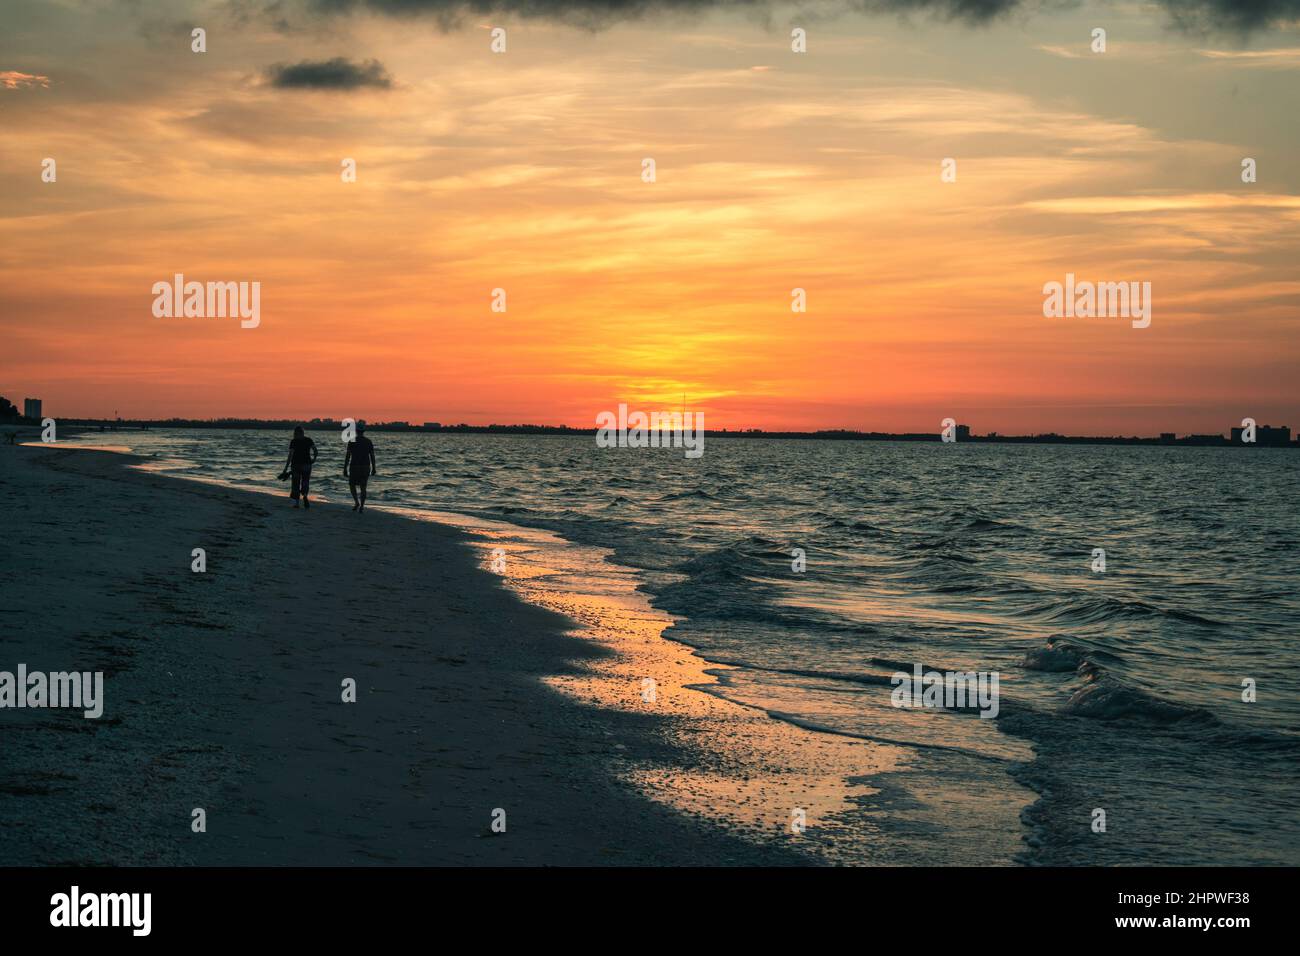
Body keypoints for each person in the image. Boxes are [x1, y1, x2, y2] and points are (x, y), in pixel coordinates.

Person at [281, 426, 318, 509]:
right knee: (305, 481)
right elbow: (315, 451)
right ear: (303, 432)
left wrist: (285, 469)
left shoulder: (294, 441)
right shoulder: (309, 440)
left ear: (296, 433)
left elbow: (290, 455)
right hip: (307, 464)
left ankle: (297, 503)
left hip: (296, 464)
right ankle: (305, 495)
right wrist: (314, 459)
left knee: (295, 483)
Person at [343, 421, 376, 512]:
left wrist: (345, 468)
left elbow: (348, 456)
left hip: (354, 466)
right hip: (365, 466)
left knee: (352, 485)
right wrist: (374, 468)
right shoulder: (368, 442)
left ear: (356, 431)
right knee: (363, 487)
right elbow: (372, 456)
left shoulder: (352, 441)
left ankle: (356, 502)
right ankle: (362, 506)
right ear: (364, 431)